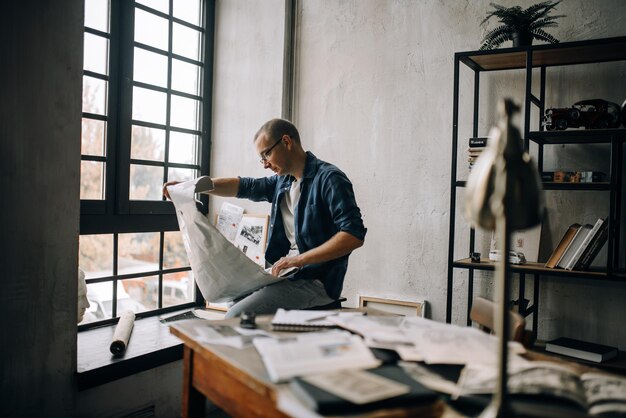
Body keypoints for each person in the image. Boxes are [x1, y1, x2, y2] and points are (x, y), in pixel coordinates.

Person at [163, 118, 366, 317]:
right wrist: (193, 186)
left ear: (286, 142)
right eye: (262, 158)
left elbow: (353, 235)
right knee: (233, 301)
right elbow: (244, 186)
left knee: (235, 316)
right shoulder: (282, 182)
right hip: (287, 275)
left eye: (266, 154)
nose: (265, 164)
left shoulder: (330, 179)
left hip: (318, 282)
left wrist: (298, 260)